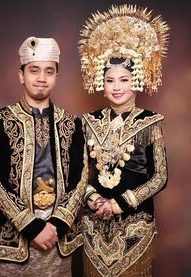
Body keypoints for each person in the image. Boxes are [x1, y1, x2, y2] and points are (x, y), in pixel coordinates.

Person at [0, 36, 87, 277]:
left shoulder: (72, 123)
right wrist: (32, 226)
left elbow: (81, 177)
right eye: (34, 70)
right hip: (14, 232)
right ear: (21, 75)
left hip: (58, 233)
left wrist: (55, 225)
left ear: (57, 77)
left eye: (49, 71)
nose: (41, 78)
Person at [78, 4, 169, 276]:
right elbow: (79, 172)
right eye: (110, 80)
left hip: (135, 226)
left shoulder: (151, 122)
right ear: (100, 82)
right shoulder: (88, 122)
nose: (116, 87)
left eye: (124, 79)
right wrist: (93, 199)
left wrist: (121, 203)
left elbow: (160, 176)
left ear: (136, 80)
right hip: (93, 227)